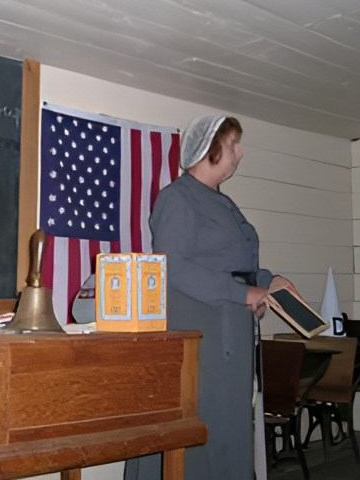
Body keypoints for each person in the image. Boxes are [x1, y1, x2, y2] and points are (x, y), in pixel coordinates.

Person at [124, 115, 300, 479]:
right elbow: (172, 266)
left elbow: (233, 263)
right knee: (203, 429)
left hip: (229, 339)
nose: (241, 152)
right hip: (201, 339)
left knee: (229, 428)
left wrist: (270, 281)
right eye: (234, 143)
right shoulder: (177, 198)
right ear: (210, 149)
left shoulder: (223, 202)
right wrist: (242, 292)